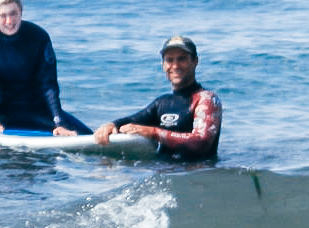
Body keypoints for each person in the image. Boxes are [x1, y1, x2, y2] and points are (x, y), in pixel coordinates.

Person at [0, 0, 90, 139]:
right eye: (3, 16)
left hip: (35, 110)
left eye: (13, 13)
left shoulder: (39, 36)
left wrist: (59, 122)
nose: (9, 21)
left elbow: (49, 86)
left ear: (21, 12)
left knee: (88, 136)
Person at [93, 36, 222, 160]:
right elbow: (133, 121)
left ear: (195, 61)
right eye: (169, 60)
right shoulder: (162, 103)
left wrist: (154, 133)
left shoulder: (207, 100)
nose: (175, 66)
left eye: (182, 59)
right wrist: (111, 125)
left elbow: (201, 143)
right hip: (164, 173)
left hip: (195, 176)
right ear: (163, 65)